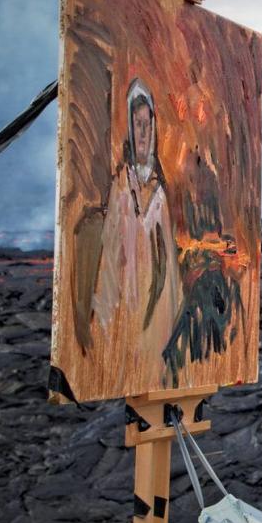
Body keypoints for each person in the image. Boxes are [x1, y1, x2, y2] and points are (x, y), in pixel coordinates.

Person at [90, 77, 182, 390]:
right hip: (126, 314)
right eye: (136, 124)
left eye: (146, 124)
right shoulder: (120, 189)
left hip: (157, 320)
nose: (142, 132)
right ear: (129, 127)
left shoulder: (159, 193)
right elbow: (109, 264)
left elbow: (169, 270)